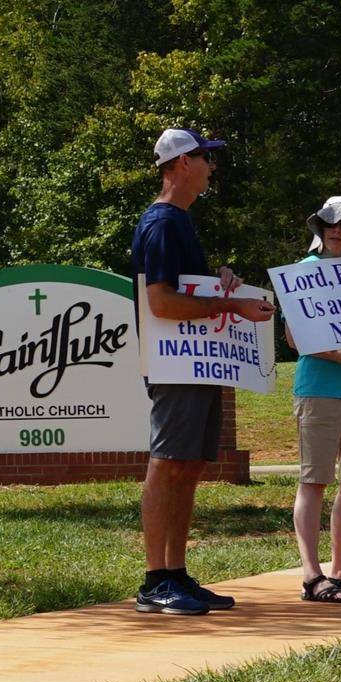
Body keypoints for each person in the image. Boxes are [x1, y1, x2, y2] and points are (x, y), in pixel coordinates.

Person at [131, 127, 275, 616]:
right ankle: (154, 581)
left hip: (195, 363)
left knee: (189, 466)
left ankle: (176, 573)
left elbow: (184, 291)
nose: (211, 167)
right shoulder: (161, 223)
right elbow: (161, 302)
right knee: (167, 462)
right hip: (174, 366)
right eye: (205, 158)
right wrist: (232, 305)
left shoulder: (181, 222)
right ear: (181, 164)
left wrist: (219, 283)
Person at [286, 196, 341, 603]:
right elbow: (293, 338)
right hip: (320, 387)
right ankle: (311, 576)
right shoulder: (304, 272)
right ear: (319, 229)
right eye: (329, 223)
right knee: (314, 478)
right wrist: (339, 355)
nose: (337, 230)